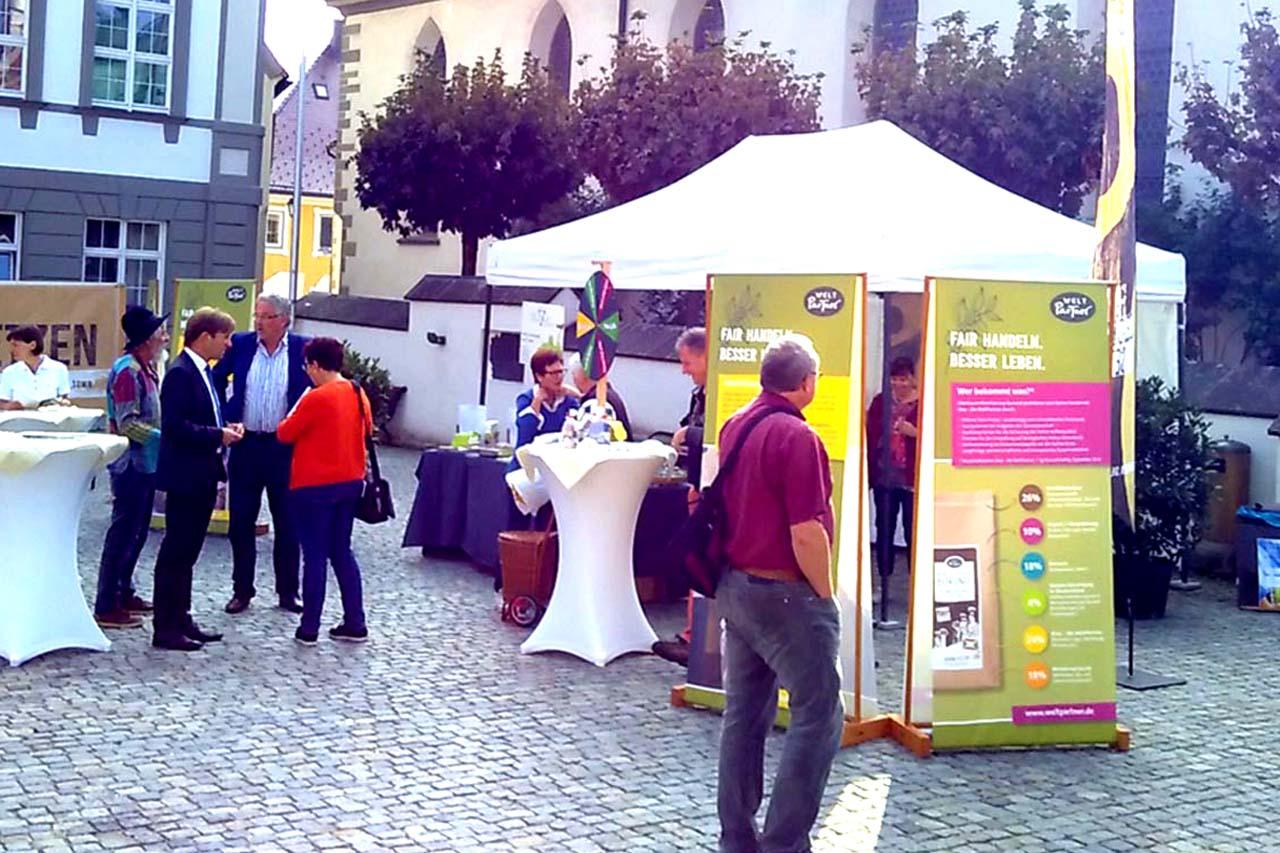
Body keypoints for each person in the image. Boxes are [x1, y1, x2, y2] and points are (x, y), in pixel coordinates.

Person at [714, 333, 843, 853]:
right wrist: (826, 595)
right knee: (818, 714)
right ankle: (785, 843)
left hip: (735, 585)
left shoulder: (736, 424)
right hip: (783, 593)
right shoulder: (798, 438)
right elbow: (806, 532)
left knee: (744, 716)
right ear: (808, 383)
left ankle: (737, 838)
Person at [151, 307, 243, 652]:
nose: (228, 345)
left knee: (188, 552)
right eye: (225, 337)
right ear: (205, 337)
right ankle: (165, 627)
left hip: (202, 473)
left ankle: (181, 616)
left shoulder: (203, 371)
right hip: (186, 476)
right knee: (176, 551)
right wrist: (216, 435)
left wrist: (224, 429)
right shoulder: (180, 373)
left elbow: (204, 416)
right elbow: (175, 427)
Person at [213, 295, 311, 615]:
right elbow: (213, 379)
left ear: (284, 320)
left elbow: (318, 390)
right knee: (241, 520)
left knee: (289, 522)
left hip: (285, 448)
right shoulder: (241, 344)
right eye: (257, 315)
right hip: (247, 444)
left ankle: (288, 592)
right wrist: (226, 414)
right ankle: (242, 589)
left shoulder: (301, 349)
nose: (258, 322)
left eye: (267, 317)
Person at [275, 337, 371, 645]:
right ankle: (355, 621)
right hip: (351, 481)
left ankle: (309, 627)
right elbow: (368, 430)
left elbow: (284, 433)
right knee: (342, 550)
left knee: (314, 554)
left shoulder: (316, 397)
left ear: (316, 365)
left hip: (314, 485)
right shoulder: (357, 392)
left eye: (308, 367)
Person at [93, 307, 169, 630]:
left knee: (137, 533)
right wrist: (166, 439)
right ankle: (107, 603)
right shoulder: (128, 372)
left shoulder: (146, 368)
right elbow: (127, 424)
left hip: (146, 463)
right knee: (123, 533)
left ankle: (125, 591)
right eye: (160, 333)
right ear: (146, 341)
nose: (165, 337)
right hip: (130, 466)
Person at [653, 326, 708, 666]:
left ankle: (695, 638)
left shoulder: (720, 389)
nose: (683, 369)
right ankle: (691, 632)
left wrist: (692, 432)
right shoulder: (699, 391)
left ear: (705, 356)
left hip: (710, 488)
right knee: (692, 558)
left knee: (699, 560)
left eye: (688, 362)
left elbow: (721, 431)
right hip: (697, 482)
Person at [866, 357, 919, 580]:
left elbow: (937, 438)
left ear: (913, 379)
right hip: (884, 477)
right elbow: (869, 433)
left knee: (912, 531)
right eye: (894, 379)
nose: (899, 384)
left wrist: (915, 433)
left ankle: (913, 585)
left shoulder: (924, 403)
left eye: (904, 379)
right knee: (884, 529)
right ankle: (883, 582)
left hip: (911, 480)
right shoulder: (881, 402)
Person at [512, 346, 580, 458]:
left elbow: (579, 432)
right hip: (527, 465)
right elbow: (525, 435)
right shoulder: (526, 399)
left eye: (561, 371)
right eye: (553, 373)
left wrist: (578, 395)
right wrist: (537, 402)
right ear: (539, 376)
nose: (559, 377)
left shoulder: (568, 401)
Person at [0, 325, 71, 410]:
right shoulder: (9, 372)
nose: (11, 350)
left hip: (50, 420)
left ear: (32, 345)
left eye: (16, 345)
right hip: (20, 421)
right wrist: (10, 406)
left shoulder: (59, 369)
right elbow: (2, 402)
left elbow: (64, 398)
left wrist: (63, 403)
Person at [567, 353, 633, 440]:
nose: (573, 380)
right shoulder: (607, 393)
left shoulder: (596, 401)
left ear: (581, 375)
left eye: (573, 375)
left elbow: (594, 437)